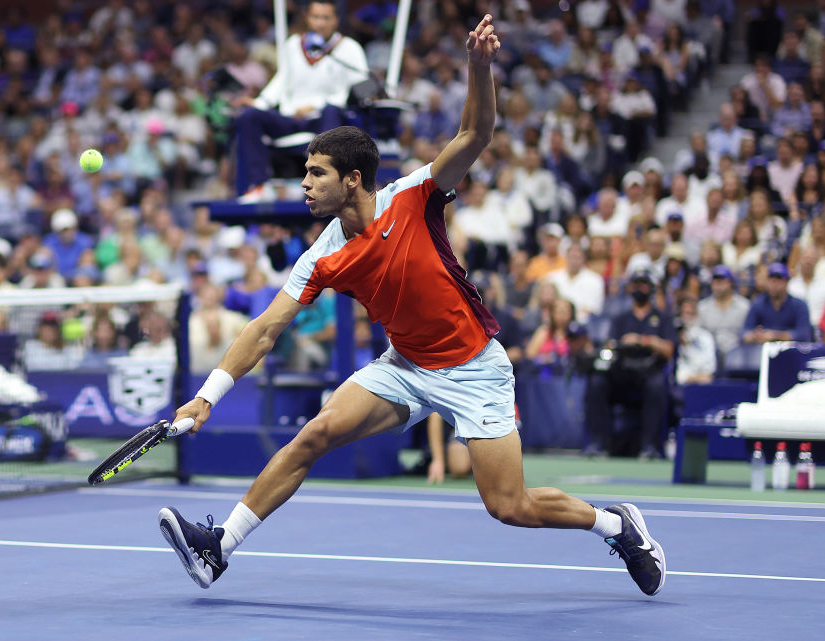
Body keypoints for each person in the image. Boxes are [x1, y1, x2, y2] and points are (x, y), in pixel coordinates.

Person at [158, 16, 665, 598]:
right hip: (404, 367)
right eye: (304, 172)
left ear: (353, 180)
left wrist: (479, 67)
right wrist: (206, 396)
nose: (304, 184)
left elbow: (474, 135)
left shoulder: (415, 195)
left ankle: (616, 523)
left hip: (474, 367)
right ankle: (219, 547)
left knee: (509, 505)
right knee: (313, 435)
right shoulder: (321, 255)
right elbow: (265, 328)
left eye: (316, 173)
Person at [233, 0, 369, 199]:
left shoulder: (349, 48)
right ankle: (258, 186)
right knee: (249, 117)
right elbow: (282, 80)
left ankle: (325, 186)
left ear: (336, 20)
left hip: (324, 118)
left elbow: (361, 87)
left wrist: (316, 106)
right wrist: (259, 102)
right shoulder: (293, 45)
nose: (320, 23)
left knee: (331, 112)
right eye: (316, 17)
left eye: (326, 18)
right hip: (290, 117)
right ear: (307, 18)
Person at [584, 270, 677, 460]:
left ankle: (649, 446)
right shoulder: (621, 319)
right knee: (597, 382)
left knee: (657, 385)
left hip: (649, 370)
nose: (639, 289)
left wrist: (643, 340)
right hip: (623, 369)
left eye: (643, 285)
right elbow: (611, 345)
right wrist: (620, 344)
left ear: (651, 289)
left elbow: (669, 350)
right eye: (636, 285)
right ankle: (598, 444)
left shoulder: (663, 318)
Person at [742, 262, 814, 343]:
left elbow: (803, 335)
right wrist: (755, 335)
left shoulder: (799, 305)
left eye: (778, 280)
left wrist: (775, 336)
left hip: (792, 352)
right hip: (764, 351)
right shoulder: (759, 303)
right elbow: (744, 333)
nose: (774, 284)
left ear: (786, 282)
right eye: (771, 280)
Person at [697, 265, 751, 357]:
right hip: (710, 355)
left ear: (731, 283)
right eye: (715, 281)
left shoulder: (745, 306)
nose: (717, 284)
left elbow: (748, 334)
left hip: (738, 353)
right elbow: (699, 336)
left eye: (721, 281)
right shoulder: (702, 307)